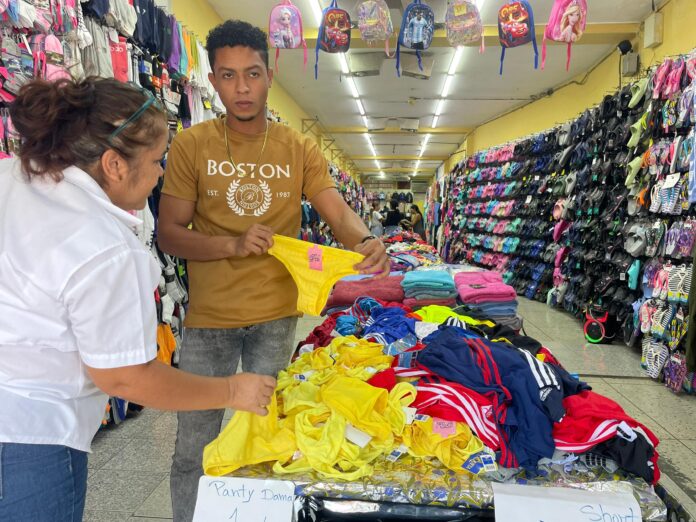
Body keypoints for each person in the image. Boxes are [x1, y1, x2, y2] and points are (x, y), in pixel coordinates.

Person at [0, 78, 276, 522]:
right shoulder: (102, 246)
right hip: (27, 439)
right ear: (114, 164)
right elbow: (125, 378)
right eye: (155, 160)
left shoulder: (11, 177)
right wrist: (230, 389)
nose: (160, 172)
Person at [156, 20, 390, 522]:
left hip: (275, 316)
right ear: (213, 80)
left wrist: (366, 240)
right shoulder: (192, 145)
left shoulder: (297, 147)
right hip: (209, 320)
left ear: (270, 72)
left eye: (253, 73)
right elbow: (169, 233)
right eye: (227, 75)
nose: (242, 88)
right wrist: (231, 244)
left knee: (268, 437)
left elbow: (335, 209)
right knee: (193, 446)